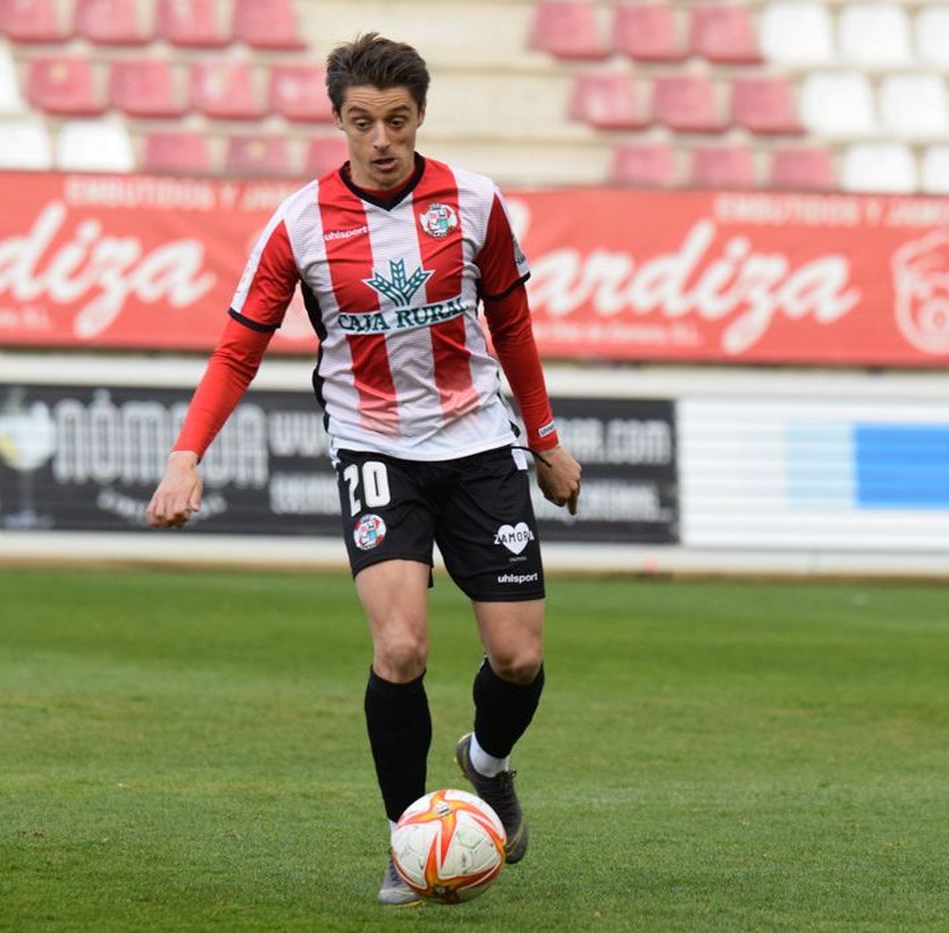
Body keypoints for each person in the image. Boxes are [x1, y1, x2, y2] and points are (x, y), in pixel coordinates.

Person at [146, 34, 581, 904]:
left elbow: (515, 329)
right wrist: (185, 458)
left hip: (479, 444)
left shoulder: (476, 203)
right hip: (374, 446)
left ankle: (486, 762)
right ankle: (407, 838)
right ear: (338, 121)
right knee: (400, 646)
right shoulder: (300, 223)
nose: (380, 139)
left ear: (419, 117)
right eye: (361, 122)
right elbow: (238, 349)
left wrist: (544, 438)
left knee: (520, 658)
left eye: (396, 120)